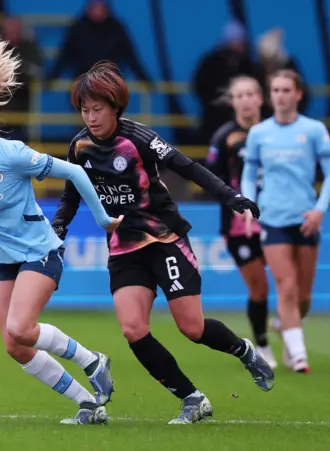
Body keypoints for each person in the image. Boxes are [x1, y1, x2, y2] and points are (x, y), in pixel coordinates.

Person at [51, 61, 275, 425]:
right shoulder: (80, 147)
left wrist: (231, 197)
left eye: (97, 109)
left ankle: (244, 349)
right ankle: (192, 398)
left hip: (164, 239)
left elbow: (187, 167)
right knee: (133, 330)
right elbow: (70, 196)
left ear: (115, 107)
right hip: (124, 248)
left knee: (192, 328)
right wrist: (59, 225)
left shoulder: (139, 138)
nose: (90, 117)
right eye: (84, 110)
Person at [0, 34, 123, 425]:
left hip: (40, 253)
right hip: (3, 263)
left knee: (21, 327)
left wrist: (103, 219)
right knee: (14, 345)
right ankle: (89, 404)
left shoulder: (10, 154)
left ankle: (92, 360)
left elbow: (73, 170)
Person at [241, 69, 330, 373]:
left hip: (306, 218)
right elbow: (248, 175)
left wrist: (320, 209)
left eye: (286, 90)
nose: (280, 95)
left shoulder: (313, 130)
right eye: (275, 90)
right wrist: (248, 206)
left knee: (304, 297)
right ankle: (298, 355)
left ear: (297, 94)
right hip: (272, 217)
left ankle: (287, 326)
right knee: (286, 285)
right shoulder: (259, 133)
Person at [206, 76, 276, 369]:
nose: (246, 100)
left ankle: (289, 320)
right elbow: (212, 179)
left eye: (251, 94)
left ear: (261, 99)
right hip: (239, 226)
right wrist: (233, 203)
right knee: (259, 288)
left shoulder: (276, 132)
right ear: (232, 101)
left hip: (278, 218)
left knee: (292, 285)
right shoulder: (224, 137)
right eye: (240, 95)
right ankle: (262, 343)